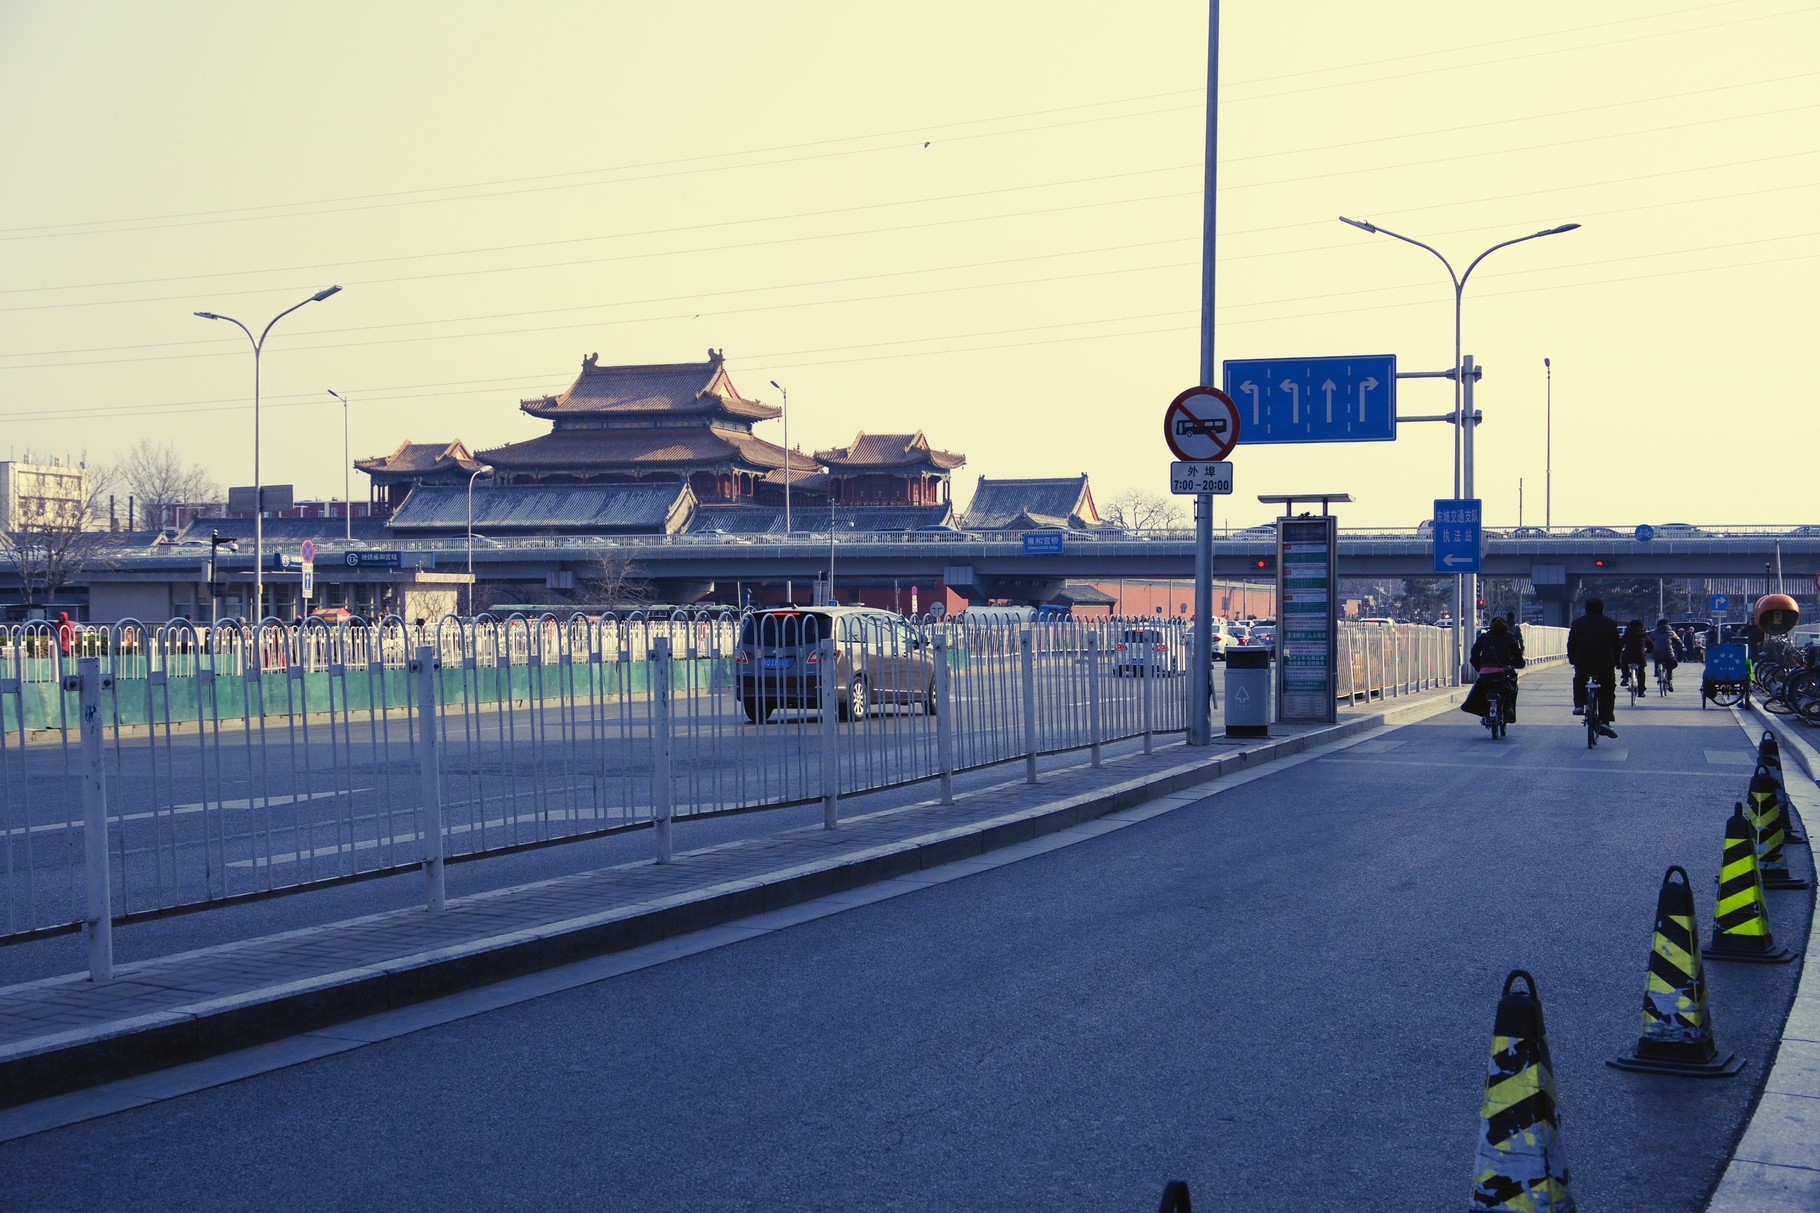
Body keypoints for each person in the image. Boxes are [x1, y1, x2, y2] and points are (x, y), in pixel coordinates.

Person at [1568, 598, 1622, 736]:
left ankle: (1579, 705)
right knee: (1607, 689)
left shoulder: (1577, 623)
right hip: (1605, 663)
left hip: (1583, 661)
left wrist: (1573, 660)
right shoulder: (1610, 623)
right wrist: (1617, 661)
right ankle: (1605, 720)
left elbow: (1571, 644)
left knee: (1580, 679)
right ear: (1602, 609)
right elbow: (1617, 646)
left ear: (1586, 609)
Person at [1463, 615, 1524, 723]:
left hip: (1486, 674)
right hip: (1503, 674)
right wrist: (1518, 663)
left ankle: (1484, 710)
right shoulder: (1509, 637)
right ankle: (1509, 708)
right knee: (1511, 688)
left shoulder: (1484, 637)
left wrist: (1480, 668)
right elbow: (1517, 654)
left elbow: (1473, 655)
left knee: (1481, 689)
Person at [1620, 619, 1654, 694]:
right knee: (1641, 672)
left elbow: (1620, 644)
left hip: (1628, 655)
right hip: (1640, 656)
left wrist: (1620, 652)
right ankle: (1641, 691)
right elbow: (1651, 645)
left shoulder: (1627, 634)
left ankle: (1625, 676)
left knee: (1624, 664)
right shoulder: (1643, 634)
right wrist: (1648, 651)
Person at [1651, 619, 1684, 691]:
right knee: (1669, 667)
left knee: (1657, 659)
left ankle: (1657, 671)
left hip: (1657, 652)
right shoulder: (1671, 632)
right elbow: (1679, 641)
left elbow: (1650, 641)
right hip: (1668, 653)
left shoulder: (1654, 632)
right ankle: (1669, 682)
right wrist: (1680, 645)